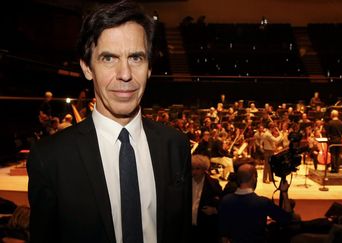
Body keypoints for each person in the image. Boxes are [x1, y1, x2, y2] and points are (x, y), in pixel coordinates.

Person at [27, 1, 191, 243]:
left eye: (136, 57)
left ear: (149, 68)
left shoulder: (175, 145)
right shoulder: (49, 158)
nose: (125, 74)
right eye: (108, 58)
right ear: (87, 67)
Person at [218, 163, 294, 243]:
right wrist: (284, 193)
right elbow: (287, 219)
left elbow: (223, 234)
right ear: (254, 178)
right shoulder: (262, 203)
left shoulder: (225, 201)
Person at [191, 155, 222, 243]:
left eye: (198, 169)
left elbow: (222, 203)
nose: (194, 172)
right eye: (192, 168)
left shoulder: (213, 184)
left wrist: (215, 210)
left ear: (204, 169)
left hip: (205, 229)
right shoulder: (186, 184)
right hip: (189, 229)